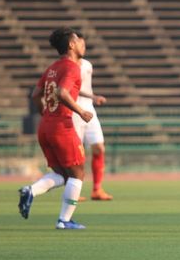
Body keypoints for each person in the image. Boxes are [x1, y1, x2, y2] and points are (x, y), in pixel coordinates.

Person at [18, 27, 93, 229]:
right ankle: (64, 220)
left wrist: (45, 113)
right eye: (78, 40)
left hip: (46, 127)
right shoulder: (71, 67)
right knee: (77, 175)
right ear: (71, 44)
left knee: (62, 175)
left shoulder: (52, 68)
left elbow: (35, 95)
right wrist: (80, 111)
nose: (81, 43)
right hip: (62, 126)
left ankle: (30, 191)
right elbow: (62, 92)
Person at [73, 50, 113, 201]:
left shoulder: (88, 64)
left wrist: (91, 98)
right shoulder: (68, 66)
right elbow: (71, 89)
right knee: (77, 153)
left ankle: (97, 189)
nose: (82, 46)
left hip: (89, 109)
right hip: (75, 111)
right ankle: (75, 190)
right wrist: (93, 96)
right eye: (79, 42)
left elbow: (84, 87)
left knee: (99, 147)